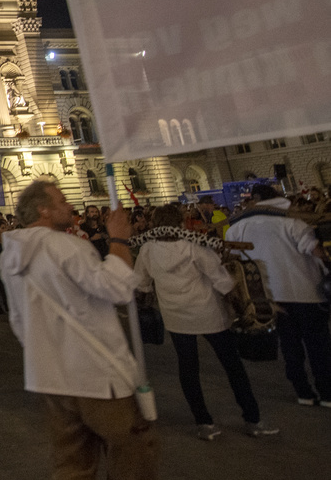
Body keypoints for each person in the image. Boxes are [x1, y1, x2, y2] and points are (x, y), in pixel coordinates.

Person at [0, 181, 165, 480]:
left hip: (53, 379)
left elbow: (18, 320)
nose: (69, 205)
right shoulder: (66, 247)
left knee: (71, 473)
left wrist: (48, 352)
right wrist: (118, 240)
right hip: (100, 379)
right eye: (61, 201)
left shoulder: (10, 256)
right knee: (133, 474)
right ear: (42, 210)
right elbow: (117, 288)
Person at [133, 205, 276, 439]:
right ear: (179, 222)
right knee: (233, 367)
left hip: (176, 316)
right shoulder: (193, 246)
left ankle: (204, 423)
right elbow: (222, 280)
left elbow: (142, 284)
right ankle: (253, 419)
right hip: (209, 314)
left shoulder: (147, 249)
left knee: (188, 369)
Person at [227, 184, 331, 406]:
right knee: (318, 345)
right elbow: (314, 249)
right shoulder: (292, 222)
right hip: (305, 292)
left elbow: (232, 260)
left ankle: (302, 391)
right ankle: (327, 392)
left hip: (268, 295)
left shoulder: (237, 227)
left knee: (289, 344)